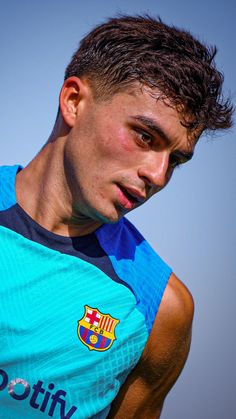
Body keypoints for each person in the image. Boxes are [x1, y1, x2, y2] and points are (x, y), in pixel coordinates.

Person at [0, 15, 233, 419]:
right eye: (146, 136)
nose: (158, 175)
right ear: (74, 101)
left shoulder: (160, 309)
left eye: (175, 160)